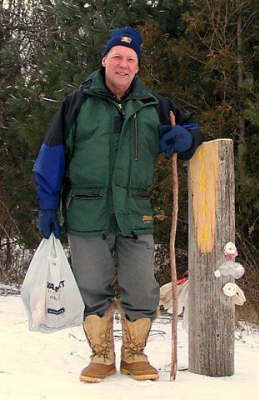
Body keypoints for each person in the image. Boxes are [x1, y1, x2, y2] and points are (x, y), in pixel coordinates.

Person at [33, 27, 204, 383]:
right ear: (104, 60)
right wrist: (48, 206)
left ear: (137, 67)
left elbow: (193, 129)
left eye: (131, 59)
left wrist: (186, 137)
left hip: (135, 212)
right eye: (117, 57)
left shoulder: (155, 105)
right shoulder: (77, 103)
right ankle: (100, 356)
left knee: (141, 286)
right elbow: (51, 156)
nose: (123, 64)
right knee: (91, 285)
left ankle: (135, 354)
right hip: (86, 210)